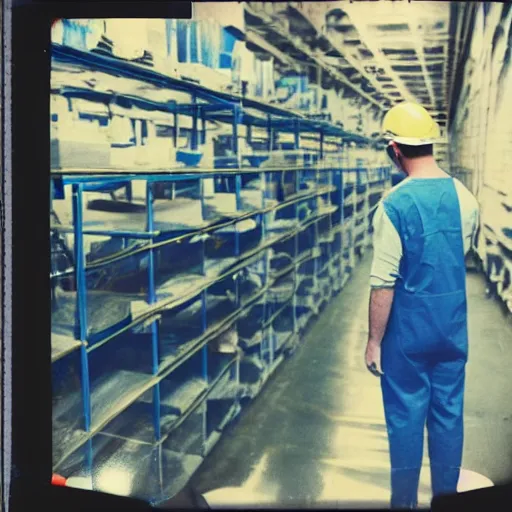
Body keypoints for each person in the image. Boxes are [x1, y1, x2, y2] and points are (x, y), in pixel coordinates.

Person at [364, 102, 479, 509]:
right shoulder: (465, 198)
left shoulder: (392, 206)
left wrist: (374, 341)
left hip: (407, 337)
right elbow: (459, 254)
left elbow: (383, 283)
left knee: (406, 422)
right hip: (451, 330)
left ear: (395, 149)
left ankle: (405, 505)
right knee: (448, 419)